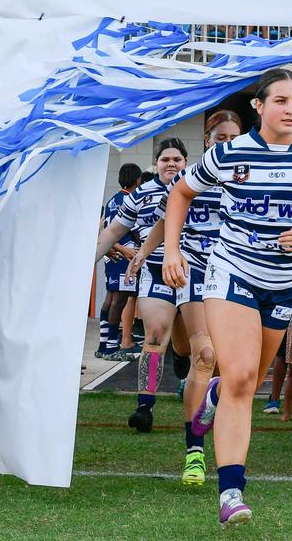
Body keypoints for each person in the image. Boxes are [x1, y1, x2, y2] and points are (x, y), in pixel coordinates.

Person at [162, 68, 292, 529]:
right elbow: (181, 193)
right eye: (280, 101)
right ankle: (230, 492)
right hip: (231, 273)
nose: (290, 109)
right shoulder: (229, 154)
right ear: (258, 107)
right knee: (242, 376)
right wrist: (174, 249)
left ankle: (215, 393)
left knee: (245, 382)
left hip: (284, 281)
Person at [125, 109, 245, 485]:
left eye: (233, 139)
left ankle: (220, 423)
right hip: (194, 270)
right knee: (202, 353)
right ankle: (194, 449)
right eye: (219, 138)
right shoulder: (193, 178)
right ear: (207, 142)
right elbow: (165, 218)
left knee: (234, 370)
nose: (226, 145)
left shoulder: (252, 174)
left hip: (239, 274)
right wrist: (149, 253)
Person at [94, 138, 189, 434]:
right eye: (165, 159)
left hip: (193, 272)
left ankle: (182, 363)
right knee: (155, 336)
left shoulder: (198, 187)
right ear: (156, 164)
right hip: (156, 270)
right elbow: (114, 230)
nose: (171, 164)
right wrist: (85, 261)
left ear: (186, 162)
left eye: (177, 159)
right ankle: (144, 407)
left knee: (188, 345)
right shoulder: (141, 194)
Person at [95, 163, 142, 360]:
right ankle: (112, 348)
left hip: (110, 253)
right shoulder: (131, 200)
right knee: (119, 301)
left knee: (110, 298)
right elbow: (136, 230)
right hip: (124, 255)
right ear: (138, 180)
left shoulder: (113, 199)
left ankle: (104, 344)